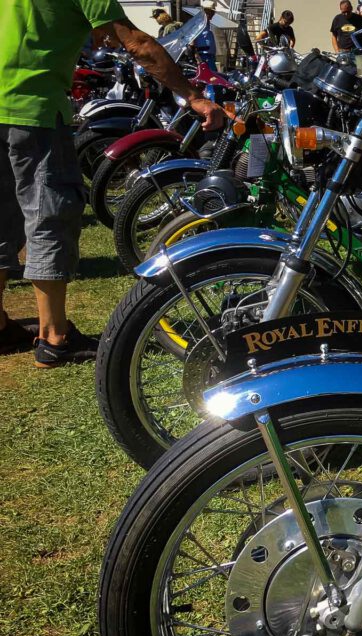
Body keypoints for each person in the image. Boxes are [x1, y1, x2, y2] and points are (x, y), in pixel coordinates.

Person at [0, 0, 225, 365]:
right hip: (34, 111)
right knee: (50, 215)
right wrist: (195, 97)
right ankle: (55, 337)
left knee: (2, 219)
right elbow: (136, 43)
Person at [193, 0, 218, 69]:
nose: (213, 14)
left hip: (209, 55)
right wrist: (196, 54)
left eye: (213, 12)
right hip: (203, 55)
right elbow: (192, 38)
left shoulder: (207, 23)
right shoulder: (199, 22)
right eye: (212, 12)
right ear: (206, 11)